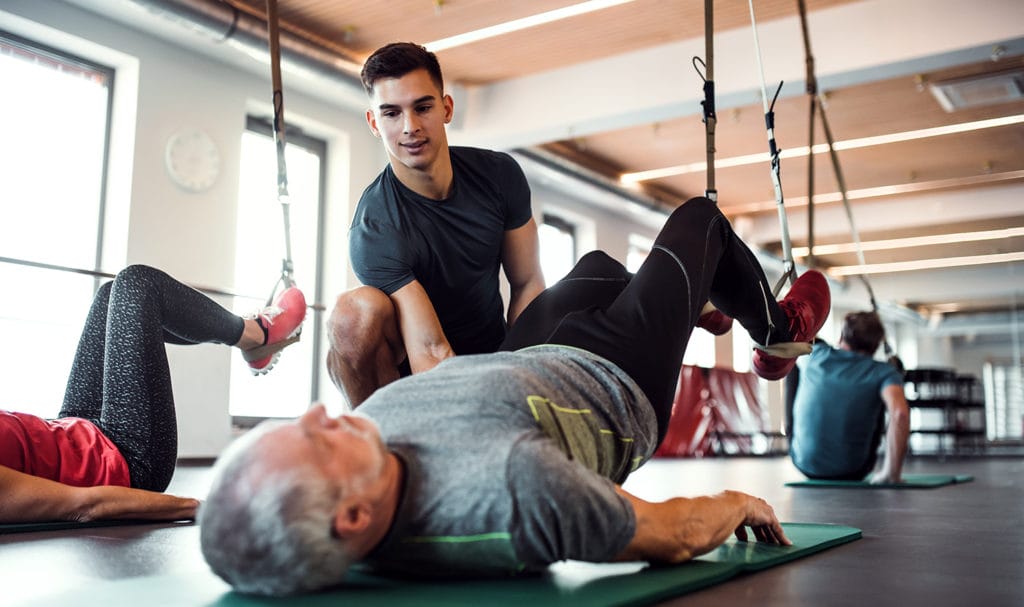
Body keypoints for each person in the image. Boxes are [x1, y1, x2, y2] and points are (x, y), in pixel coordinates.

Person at [199, 196, 831, 597]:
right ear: (354, 518)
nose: (318, 412)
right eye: (314, 437)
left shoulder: (362, 459)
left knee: (596, 269)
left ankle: (689, 298)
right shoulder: (512, 490)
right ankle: (776, 333)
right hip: (616, 375)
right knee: (700, 220)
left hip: (526, 356)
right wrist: (739, 502)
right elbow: (671, 532)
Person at [326, 42, 546, 407]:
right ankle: (377, 434)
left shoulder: (499, 175)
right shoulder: (375, 228)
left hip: (494, 353)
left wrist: (517, 376)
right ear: (374, 123)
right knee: (354, 313)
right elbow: (431, 350)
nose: (410, 127)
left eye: (422, 107)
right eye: (392, 113)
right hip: (414, 373)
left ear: (446, 108)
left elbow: (528, 284)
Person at [0, 265, 306, 524]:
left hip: (69, 431)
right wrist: (200, 506)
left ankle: (255, 341)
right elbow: (82, 505)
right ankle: (257, 334)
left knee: (111, 296)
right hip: (123, 459)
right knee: (138, 285)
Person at [788, 311, 910, 483]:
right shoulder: (883, 372)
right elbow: (900, 414)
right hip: (853, 470)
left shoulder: (813, 355)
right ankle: (890, 472)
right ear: (875, 345)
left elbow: (793, 334)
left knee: (792, 358)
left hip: (805, 464)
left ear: (841, 337)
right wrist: (893, 474)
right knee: (885, 394)